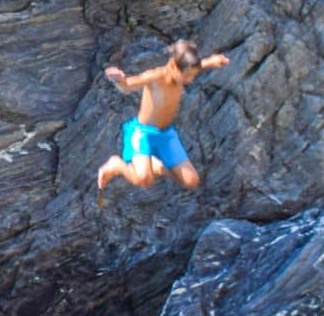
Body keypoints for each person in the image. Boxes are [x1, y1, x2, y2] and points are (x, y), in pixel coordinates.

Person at [96, 39, 230, 198]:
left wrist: (212, 61)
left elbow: (196, 66)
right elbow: (129, 84)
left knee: (191, 181)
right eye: (187, 76)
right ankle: (117, 165)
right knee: (144, 180)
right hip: (143, 133)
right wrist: (119, 79)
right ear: (173, 65)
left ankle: (157, 166)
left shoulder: (183, 70)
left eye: (192, 76)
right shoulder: (155, 76)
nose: (189, 80)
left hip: (165, 135)